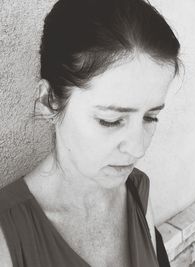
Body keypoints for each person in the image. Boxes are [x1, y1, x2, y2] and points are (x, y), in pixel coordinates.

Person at [0, 0, 180, 266]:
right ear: (49, 100)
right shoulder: (7, 239)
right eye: (110, 120)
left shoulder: (137, 189)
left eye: (151, 116)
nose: (138, 149)